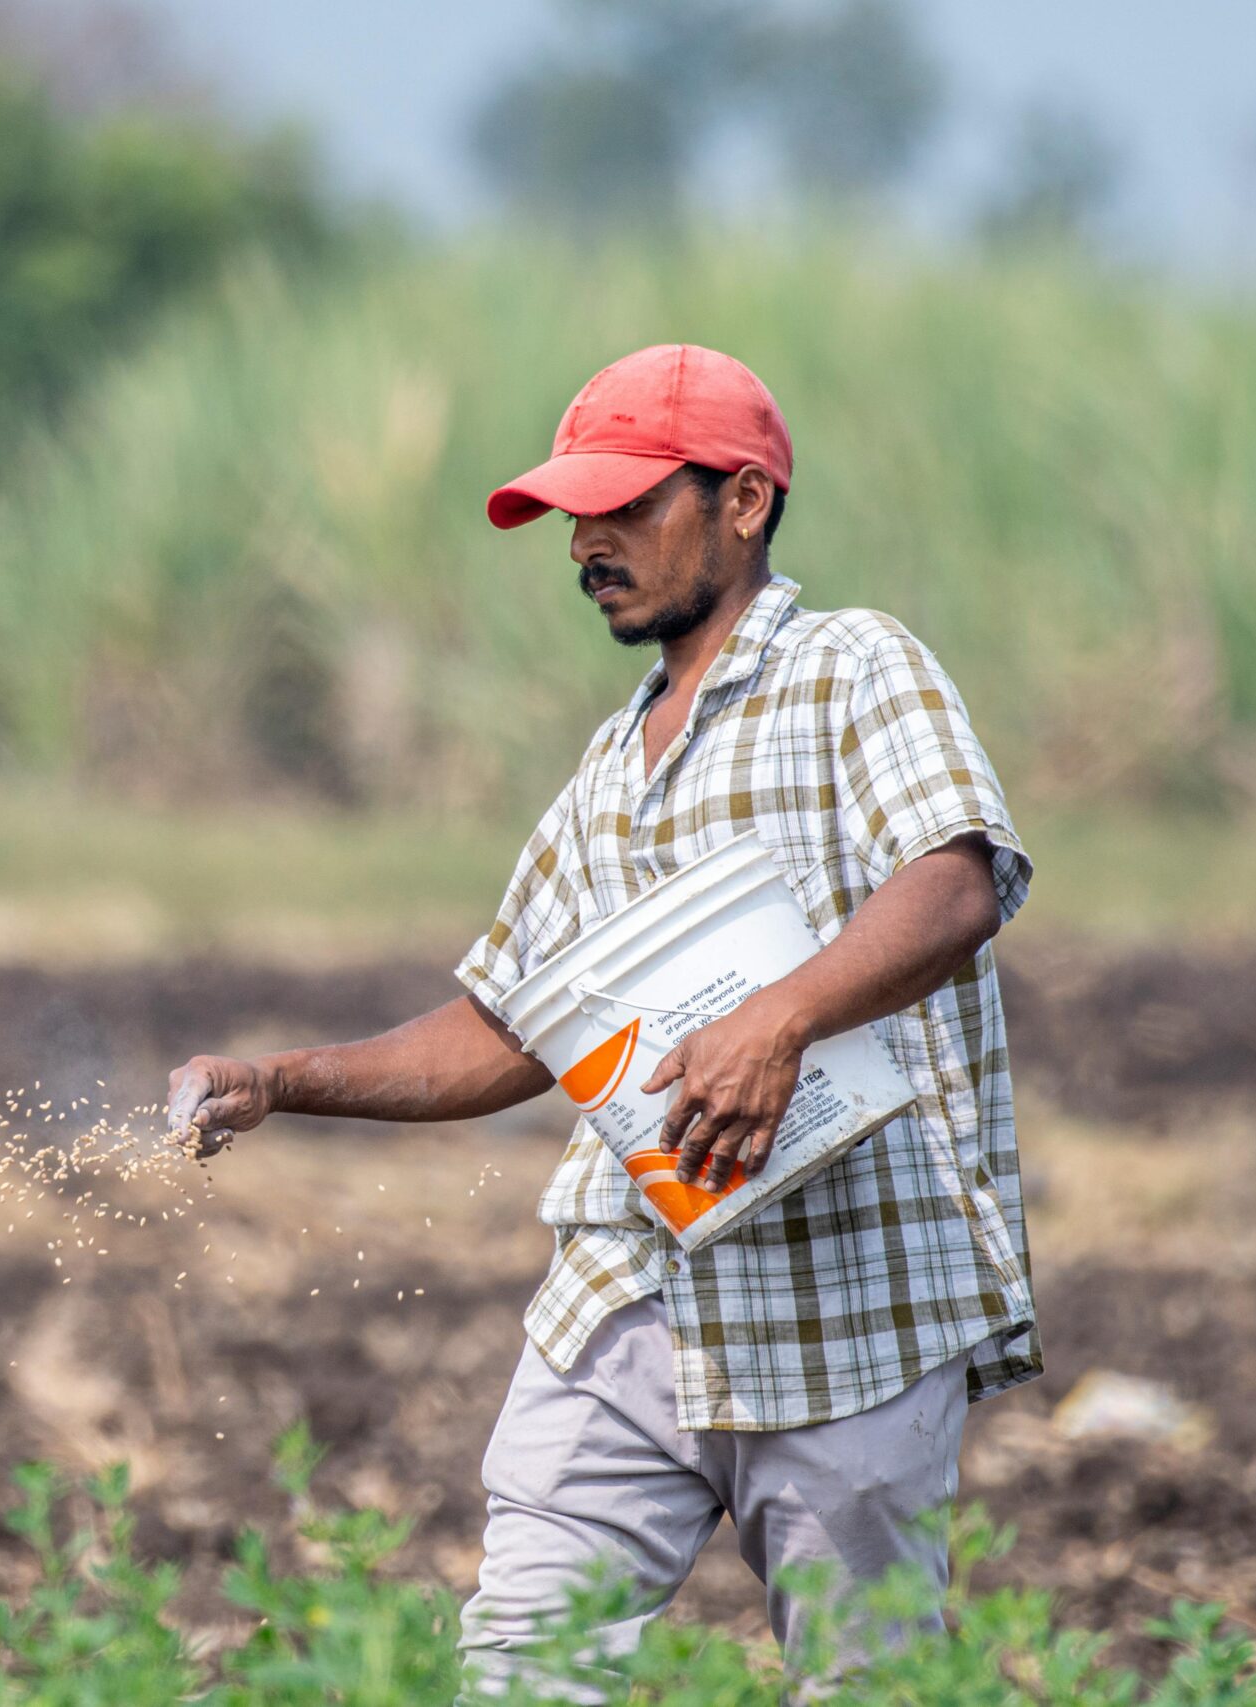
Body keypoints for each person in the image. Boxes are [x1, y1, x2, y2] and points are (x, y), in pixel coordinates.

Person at [165, 343, 1039, 1697]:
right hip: (636, 1288)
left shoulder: (854, 670)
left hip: (847, 1301)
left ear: (743, 501)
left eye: (629, 506)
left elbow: (957, 880)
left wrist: (779, 1020)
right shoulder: (608, 768)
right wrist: (279, 1079)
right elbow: (510, 1026)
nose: (589, 541)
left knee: (866, 1684)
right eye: (579, 514)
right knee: (521, 1663)